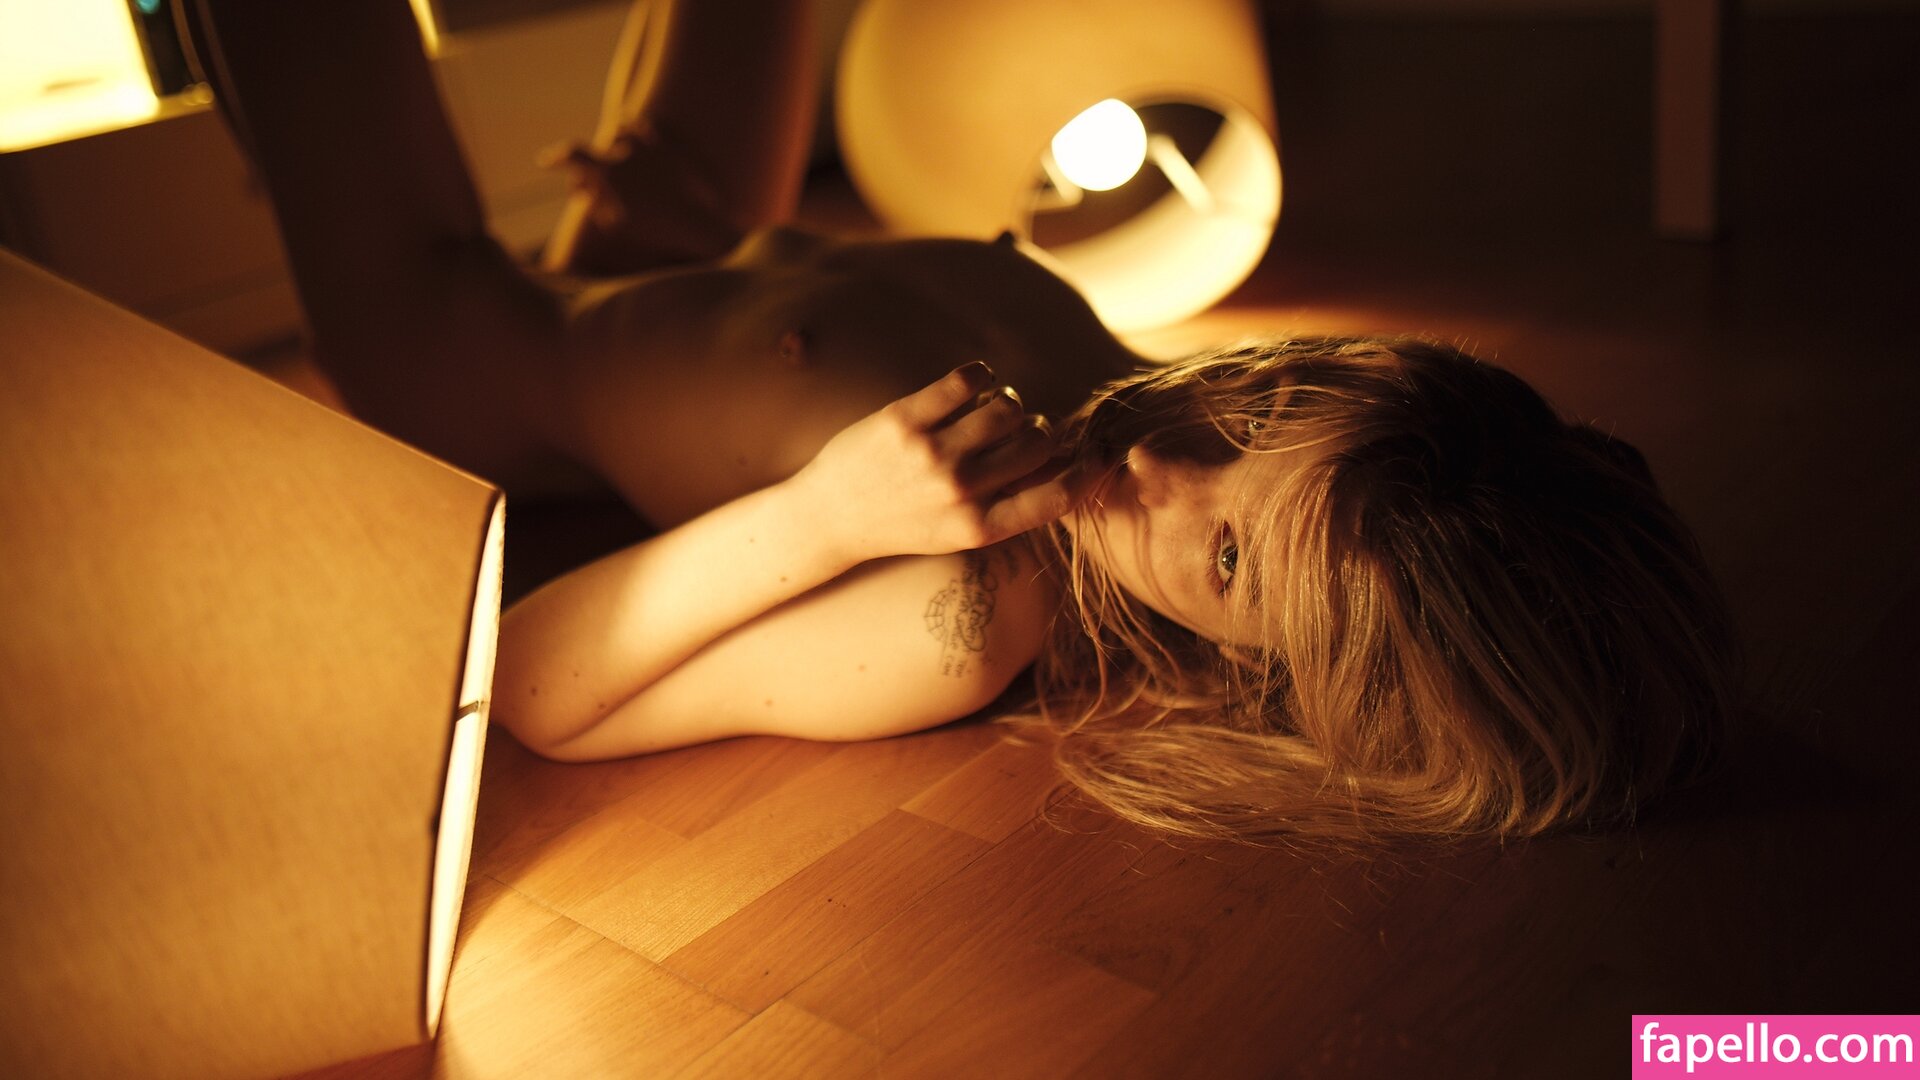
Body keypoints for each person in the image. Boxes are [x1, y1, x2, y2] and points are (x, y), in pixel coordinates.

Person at [185, 0, 1734, 846]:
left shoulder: (962, 613)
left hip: (467, 343)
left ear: (1278, 671)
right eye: (1258, 412)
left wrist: (822, 517)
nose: (1164, 461)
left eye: (1230, 562)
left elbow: (531, 687)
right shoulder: (1142, 410)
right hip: (682, 242)